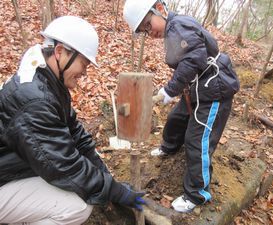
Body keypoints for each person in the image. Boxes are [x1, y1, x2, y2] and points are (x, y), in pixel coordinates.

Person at [0, 16, 145, 225]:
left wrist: (109, 181)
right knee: (77, 206)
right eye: (83, 64)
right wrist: (115, 192)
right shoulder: (33, 98)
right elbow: (64, 167)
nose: (84, 73)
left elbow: (78, 137)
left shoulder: (48, 82)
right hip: (5, 181)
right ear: (60, 52)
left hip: (13, 171)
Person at [123, 0, 239, 213]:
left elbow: (194, 59)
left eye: (148, 26)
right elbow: (186, 62)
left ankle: (197, 194)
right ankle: (169, 146)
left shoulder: (179, 25)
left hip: (214, 92)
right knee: (176, 119)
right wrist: (175, 88)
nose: (150, 33)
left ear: (159, 9)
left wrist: (170, 90)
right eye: (144, 31)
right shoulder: (172, 30)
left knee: (197, 141)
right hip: (196, 90)